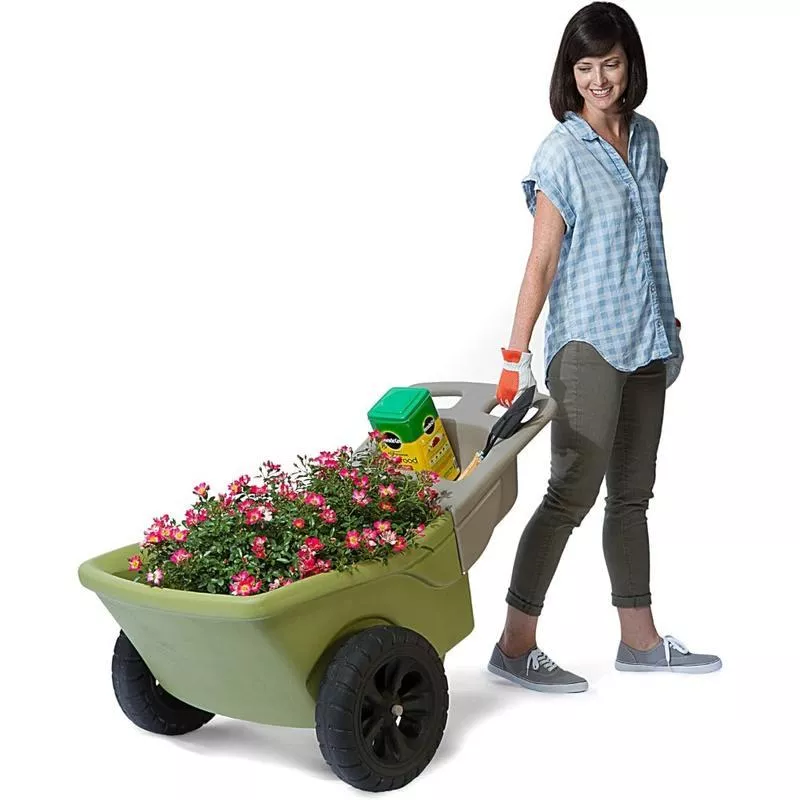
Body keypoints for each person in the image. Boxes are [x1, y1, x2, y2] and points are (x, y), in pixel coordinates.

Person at [487, 2, 721, 693]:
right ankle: (514, 645)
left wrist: (662, 310)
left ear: (629, 65)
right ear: (569, 73)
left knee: (633, 496)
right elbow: (542, 260)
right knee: (570, 493)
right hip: (588, 342)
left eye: (610, 63)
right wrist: (514, 357)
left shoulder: (645, 139)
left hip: (647, 337)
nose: (598, 79)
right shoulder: (560, 151)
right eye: (584, 66)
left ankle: (639, 641)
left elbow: (642, 236)